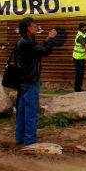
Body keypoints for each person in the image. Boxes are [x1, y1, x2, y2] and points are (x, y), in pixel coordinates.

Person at [15, 17, 56, 145]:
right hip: (31, 79)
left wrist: (46, 41)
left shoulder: (23, 41)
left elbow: (38, 49)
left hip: (22, 79)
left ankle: (20, 137)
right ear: (28, 28)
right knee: (32, 110)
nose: (36, 28)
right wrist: (51, 38)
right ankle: (30, 140)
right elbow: (45, 51)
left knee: (22, 110)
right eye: (34, 26)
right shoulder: (28, 43)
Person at [72, 23, 86, 92]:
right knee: (79, 73)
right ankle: (76, 88)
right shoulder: (80, 36)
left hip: (81, 57)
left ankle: (79, 87)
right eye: (85, 27)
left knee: (81, 73)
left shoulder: (84, 33)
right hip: (77, 58)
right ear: (81, 28)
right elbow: (85, 45)